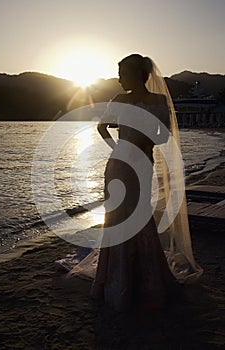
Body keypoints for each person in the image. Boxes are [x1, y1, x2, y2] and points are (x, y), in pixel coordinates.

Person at [70, 54, 203, 312]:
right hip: (119, 165)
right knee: (117, 217)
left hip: (142, 166)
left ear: (137, 74)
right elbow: (102, 127)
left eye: (122, 73)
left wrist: (144, 141)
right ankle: (119, 277)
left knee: (140, 216)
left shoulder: (159, 100)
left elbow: (164, 136)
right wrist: (119, 147)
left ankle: (142, 277)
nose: (119, 79)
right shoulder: (120, 101)